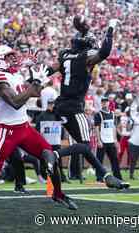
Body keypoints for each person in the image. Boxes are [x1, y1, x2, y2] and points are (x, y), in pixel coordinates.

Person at [0, 45, 77, 223]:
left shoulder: (14, 75)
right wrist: (35, 83)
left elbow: (33, 92)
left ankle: (58, 193)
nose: (14, 60)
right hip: (7, 131)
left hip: (24, 126)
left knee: (49, 154)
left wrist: (54, 66)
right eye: (9, 57)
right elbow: (16, 102)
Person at [45, 17, 128, 188]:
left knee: (83, 147)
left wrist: (34, 75)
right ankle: (54, 155)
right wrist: (111, 28)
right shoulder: (85, 57)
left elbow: (48, 70)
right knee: (85, 145)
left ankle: (106, 176)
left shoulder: (64, 56)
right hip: (74, 107)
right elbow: (104, 52)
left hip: (61, 106)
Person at [94, 96, 123, 182]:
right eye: (103, 102)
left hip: (111, 140)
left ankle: (118, 176)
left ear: (108, 103)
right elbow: (96, 128)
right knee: (99, 160)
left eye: (106, 102)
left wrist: (115, 140)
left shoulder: (113, 114)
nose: (104, 103)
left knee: (114, 160)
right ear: (101, 103)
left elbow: (113, 128)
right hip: (103, 140)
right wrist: (98, 140)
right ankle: (99, 177)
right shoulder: (98, 114)